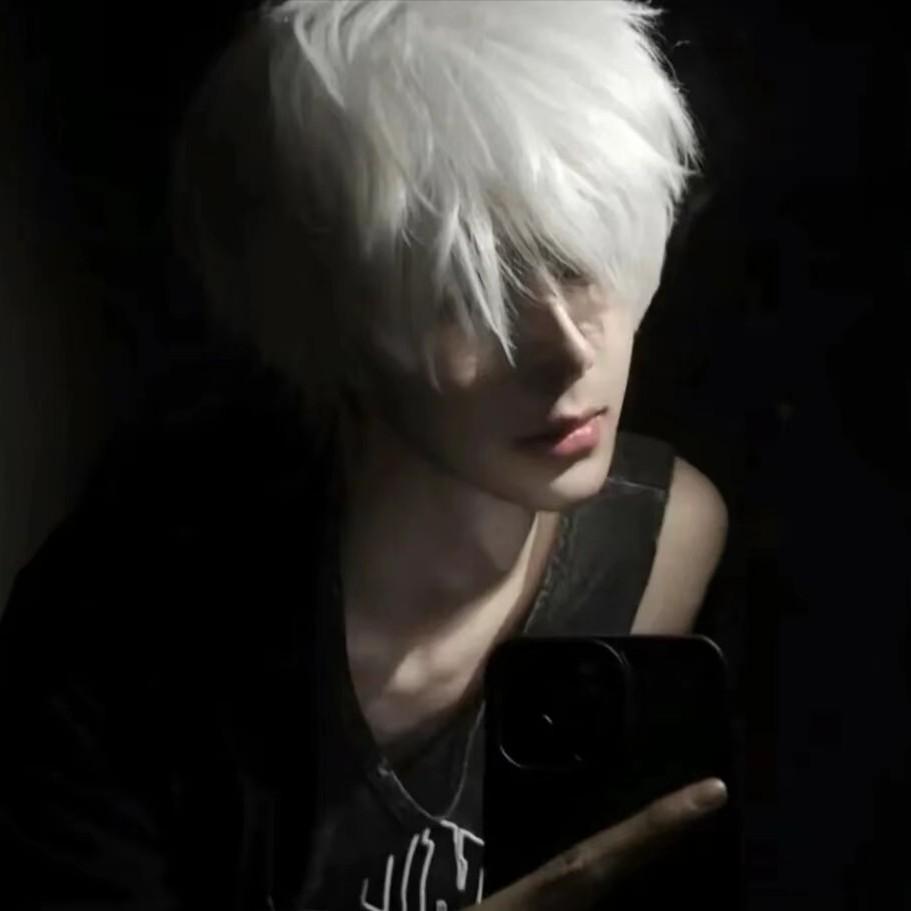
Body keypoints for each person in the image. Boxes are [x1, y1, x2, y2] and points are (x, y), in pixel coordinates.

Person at [0, 2, 732, 909]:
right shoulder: (126, 617)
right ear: (328, 312)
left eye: (582, 260)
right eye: (465, 294)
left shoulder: (665, 536)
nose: (570, 353)